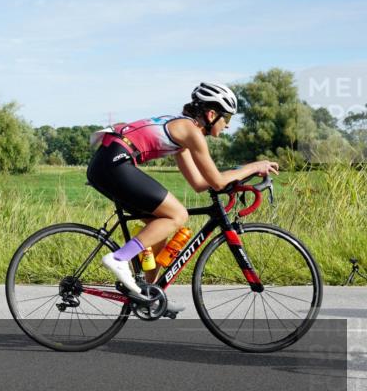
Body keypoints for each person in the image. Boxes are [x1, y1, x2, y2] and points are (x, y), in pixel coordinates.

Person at [86, 82, 278, 310]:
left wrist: (239, 175)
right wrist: (253, 166)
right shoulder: (191, 132)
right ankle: (119, 258)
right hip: (114, 164)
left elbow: (200, 184)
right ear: (211, 114)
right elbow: (217, 181)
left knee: (160, 225)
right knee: (178, 215)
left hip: (107, 163)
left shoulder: (183, 133)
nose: (227, 125)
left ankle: (147, 294)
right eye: (227, 118)